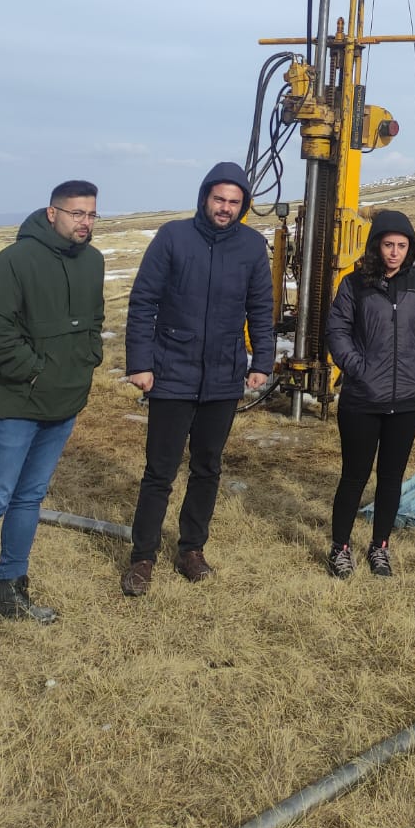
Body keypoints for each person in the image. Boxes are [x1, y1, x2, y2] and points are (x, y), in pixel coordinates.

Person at [0, 180, 105, 645]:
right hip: (15, 402)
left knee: (29, 498)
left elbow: (95, 322)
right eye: (76, 213)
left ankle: (12, 591)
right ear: (52, 213)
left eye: (92, 214)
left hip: (64, 402)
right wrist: (35, 372)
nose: (85, 222)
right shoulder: (15, 260)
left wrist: (84, 362)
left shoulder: (93, 262)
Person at [120, 162, 273, 595]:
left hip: (223, 375)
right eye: (218, 199)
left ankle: (192, 550)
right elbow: (143, 301)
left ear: (243, 206)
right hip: (171, 371)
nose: (224, 208)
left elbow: (260, 308)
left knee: (207, 467)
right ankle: (143, 557)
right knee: (159, 471)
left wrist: (262, 360)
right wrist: (140, 363)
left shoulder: (250, 246)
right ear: (205, 197)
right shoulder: (173, 237)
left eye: (233, 202)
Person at [324, 209, 415, 579]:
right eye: (388, 244)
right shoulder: (353, 283)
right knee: (354, 476)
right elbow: (337, 330)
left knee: (392, 478)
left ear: (410, 248)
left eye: (402, 245)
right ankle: (340, 548)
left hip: (406, 400)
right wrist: (356, 368)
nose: (394, 252)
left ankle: (380, 547)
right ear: (376, 246)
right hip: (362, 399)